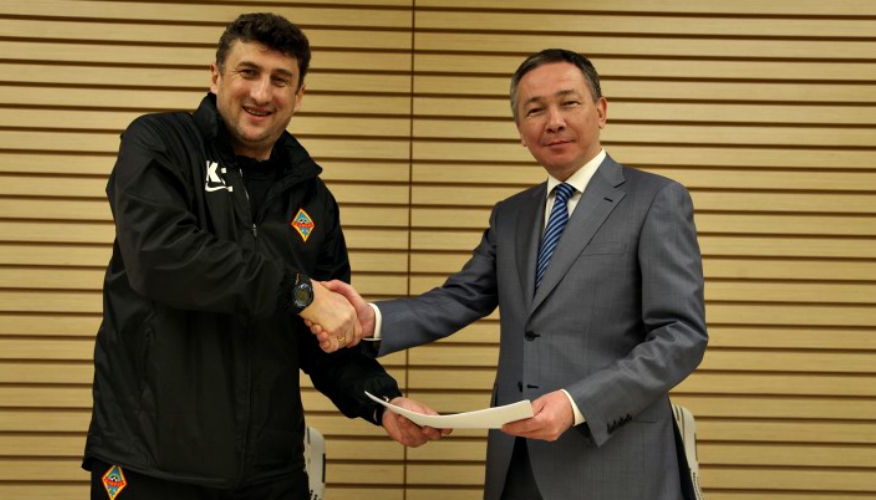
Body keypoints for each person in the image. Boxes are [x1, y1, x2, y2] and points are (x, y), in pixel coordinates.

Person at [311, 49, 708, 499]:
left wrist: (577, 404)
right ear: (520, 130)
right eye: (535, 110)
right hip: (517, 461)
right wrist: (373, 320)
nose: (553, 121)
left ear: (601, 110)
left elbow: (681, 336)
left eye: (569, 103)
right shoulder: (511, 215)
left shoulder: (656, 200)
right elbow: (461, 297)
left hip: (616, 464)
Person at [83, 13, 443, 500]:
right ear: (216, 76)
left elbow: (325, 335)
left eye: (280, 79)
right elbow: (161, 256)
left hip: (270, 473)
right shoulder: (161, 143)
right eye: (247, 72)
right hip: (150, 464)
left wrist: (384, 403)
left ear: (299, 94)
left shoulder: (312, 198)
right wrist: (300, 292)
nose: (261, 93)